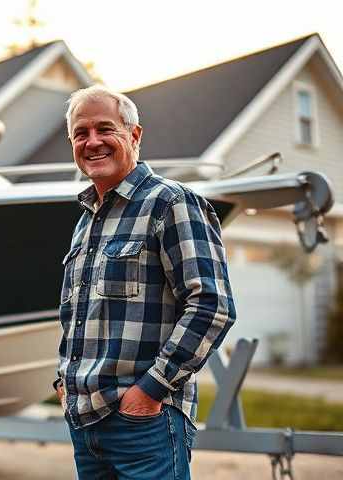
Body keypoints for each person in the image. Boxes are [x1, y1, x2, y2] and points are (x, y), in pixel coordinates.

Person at [54, 85, 236, 479]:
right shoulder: (86, 220)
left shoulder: (171, 203)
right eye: (81, 133)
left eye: (106, 129)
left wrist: (150, 391)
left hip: (144, 424)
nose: (93, 141)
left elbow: (212, 306)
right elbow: (77, 315)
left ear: (134, 136)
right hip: (86, 425)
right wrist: (63, 383)